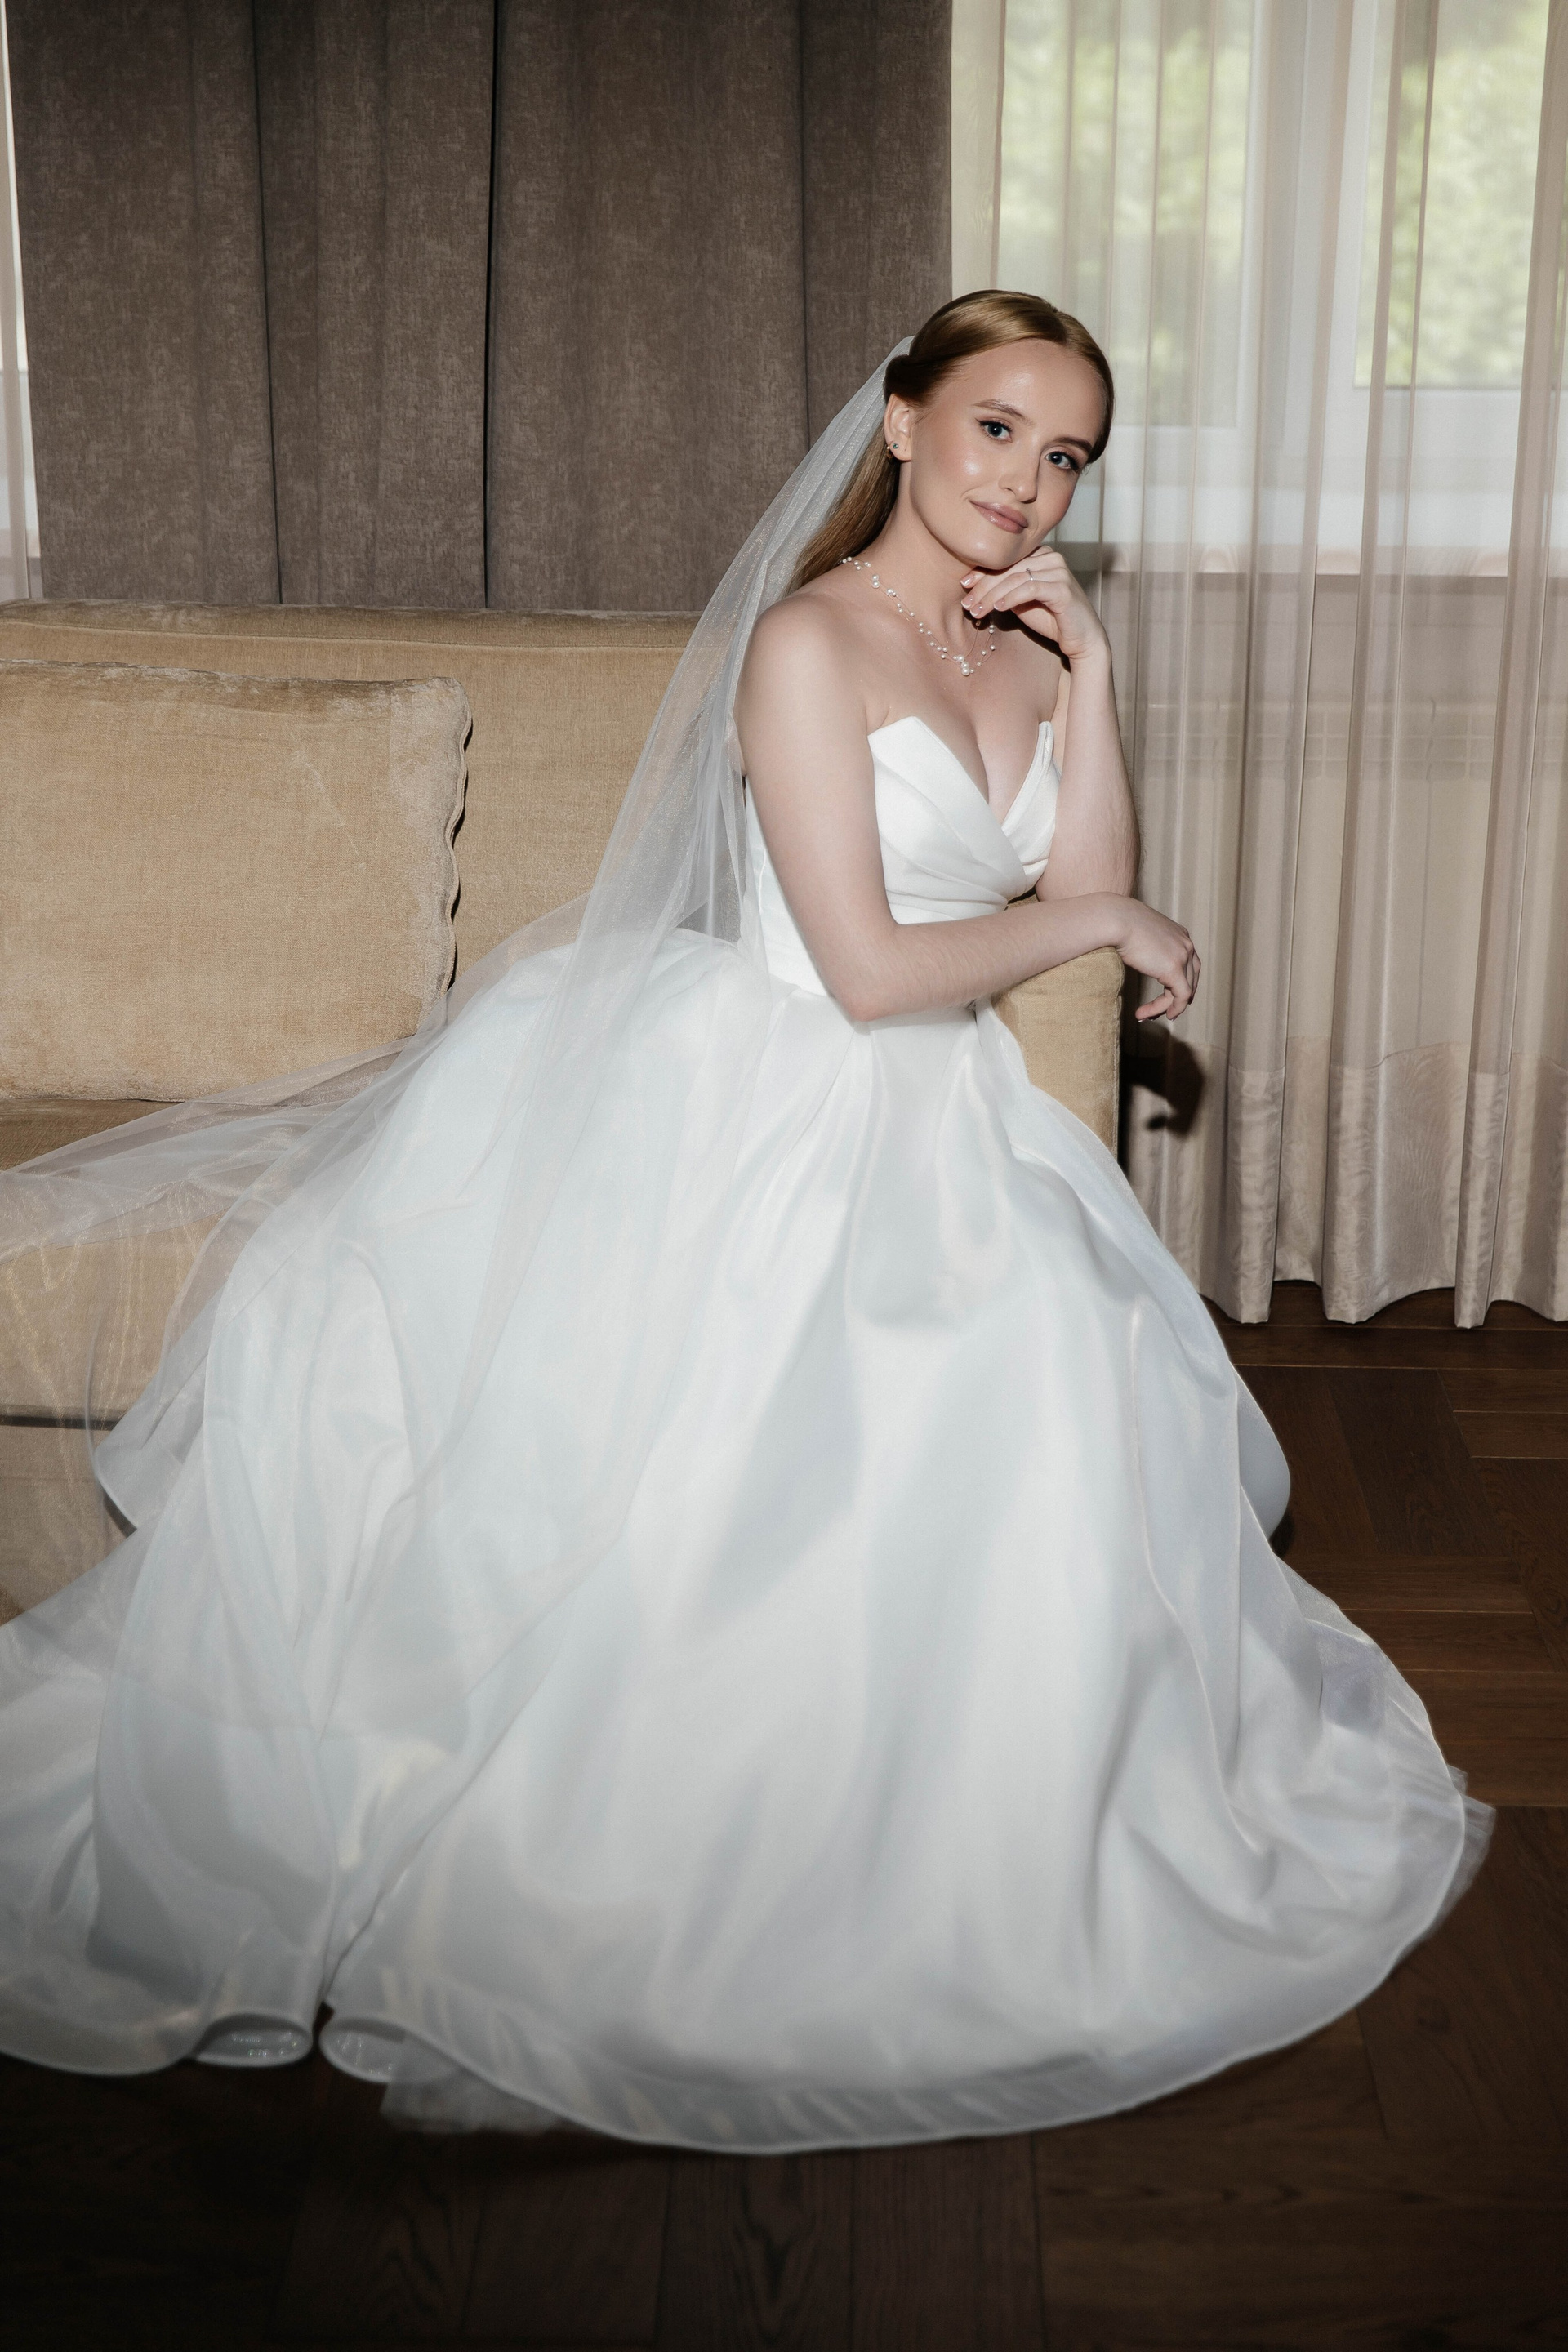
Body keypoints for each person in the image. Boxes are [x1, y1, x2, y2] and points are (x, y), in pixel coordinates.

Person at [0, 292, 1489, 2151]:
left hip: (954, 1119)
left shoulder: (1026, 655)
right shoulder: (807, 644)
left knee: (1052, 1386)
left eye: (1068, 458)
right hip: (778, 1086)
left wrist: (1095, 680)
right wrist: (1104, 919)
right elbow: (869, 971)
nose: (1027, 484)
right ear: (901, 419)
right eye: (998, 429)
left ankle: (987, 1828)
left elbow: (1085, 892)